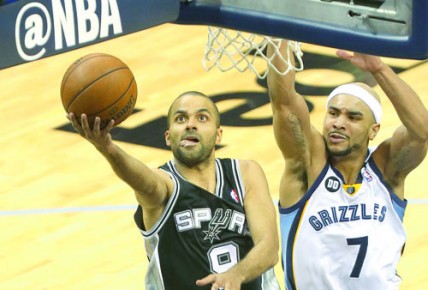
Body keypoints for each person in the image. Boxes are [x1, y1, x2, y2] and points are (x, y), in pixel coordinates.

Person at [67, 91, 281, 290]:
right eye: (181, 119)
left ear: (218, 135)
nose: (190, 125)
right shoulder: (165, 185)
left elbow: (269, 247)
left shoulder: (244, 173)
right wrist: (108, 148)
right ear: (168, 137)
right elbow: (144, 182)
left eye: (202, 118)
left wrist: (236, 274)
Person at [267, 41, 428, 290]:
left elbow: (421, 132)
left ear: (373, 130)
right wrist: (278, 36)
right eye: (333, 113)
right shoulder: (307, 164)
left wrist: (379, 68)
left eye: (353, 117)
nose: (339, 123)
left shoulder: (387, 171)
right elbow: (284, 103)